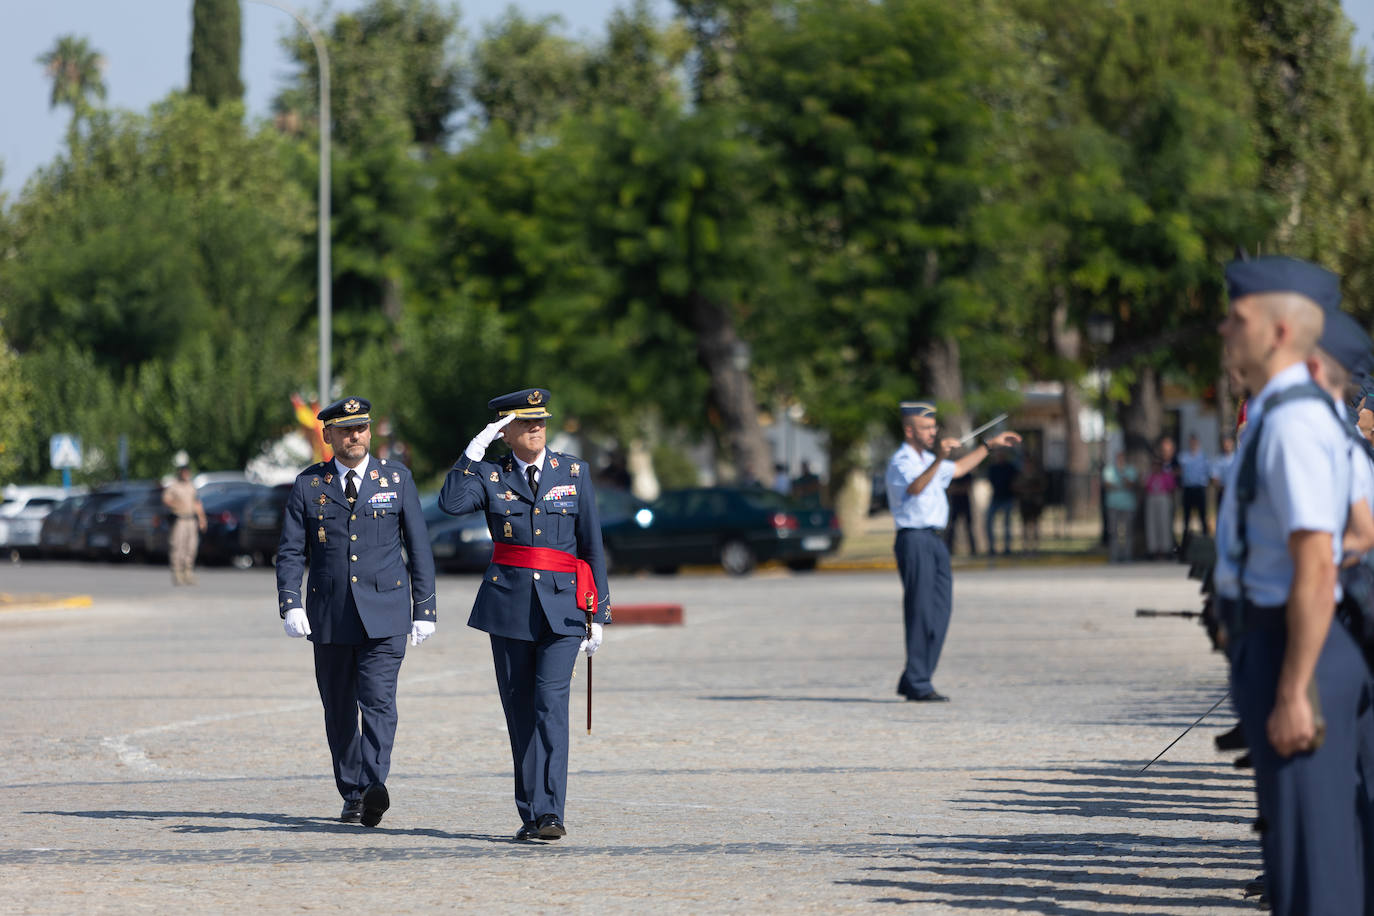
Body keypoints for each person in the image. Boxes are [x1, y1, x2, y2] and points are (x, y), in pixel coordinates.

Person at [1214, 255, 1367, 913]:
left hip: (1294, 645)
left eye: (1237, 318)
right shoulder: (1286, 413)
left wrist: (1295, 687)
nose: (1224, 330)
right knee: (1301, 858)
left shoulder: (1295, 421)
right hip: (1282, 642)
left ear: (1278, 331)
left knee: (1313, 874)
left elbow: (1317, 562)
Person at [440, 388, 611, 841]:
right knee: (519, 712)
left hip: (565, 609)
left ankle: (551, 812)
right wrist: (473, 452)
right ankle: (531, 812)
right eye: (525, 421)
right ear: (504, 431)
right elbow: (451, 503)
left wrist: (600, 613)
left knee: (550, 707)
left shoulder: (573, 471)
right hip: (510, 606)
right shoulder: (490, 474)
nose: (537, 427)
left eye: (542, 420)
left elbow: (591, 545)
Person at [275, 396, 437, 826]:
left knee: (380, 702)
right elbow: (291, 551)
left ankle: (373, 785)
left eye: (361, 428)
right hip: (330, 615)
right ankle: (352, 790)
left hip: (385, 610)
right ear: (328, 435)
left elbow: (418, 548)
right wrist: (290, 603)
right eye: (346, 430)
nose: (355, 436)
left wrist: (425, 608)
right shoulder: (309, 484)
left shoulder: (396, 479)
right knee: (340, 708)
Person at [885, 401, 1020, 702]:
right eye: (926, 428)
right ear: (909, 430)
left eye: (934, 427)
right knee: (920, 611)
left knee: (941, 610)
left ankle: (913, 677)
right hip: (913, 538)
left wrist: (988, 445)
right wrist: (938, 460)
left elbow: (958, 469)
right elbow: (916, 488)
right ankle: (919, 682)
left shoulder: (928, 459)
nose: (932, 432)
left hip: (935, 540)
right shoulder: (901, 461)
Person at [161, 465, 206, 585]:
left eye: (188, 472)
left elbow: (197, 503)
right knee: (178, 546)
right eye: (184, 472)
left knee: (191, 546)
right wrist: (175, 505)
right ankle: (178, 572)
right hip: (180, 519)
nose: (186, 474)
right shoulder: (174, 486)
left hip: (191, 520)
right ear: (180, 473)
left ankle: (188, 572)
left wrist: (202, 519)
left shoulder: (191, 486)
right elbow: (166, 499)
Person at [1102, 452, 1138, 562]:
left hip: (1128, 505)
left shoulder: (1130, 470)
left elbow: (1130, 485)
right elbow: (1108, 486)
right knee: (1113, 532)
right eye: (1118, 458)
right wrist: (1120, 485)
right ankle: (1114, 556)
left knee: (1127, 532)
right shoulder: (1109, 470)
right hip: (1113, 505)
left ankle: (1127, 556)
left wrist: (1122, 475)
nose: (1120, 461)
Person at [984, 447, 1019, 556]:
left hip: (1007, 498)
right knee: (989, 522)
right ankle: (991, 548)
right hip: (996, 498)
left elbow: (1015, 482)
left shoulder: (1010, 467)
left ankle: (1007, 548)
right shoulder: (993, 468)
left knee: (1007, 524)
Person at [1178, 433, 1211, 543]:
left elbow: (1208, 473)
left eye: (1195, 442)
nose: (1193, 444)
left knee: (1202, 517)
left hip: (1200, 489)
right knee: (1186, 518)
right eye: (1191, 442)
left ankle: (1206, 542)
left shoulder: (1203, 457)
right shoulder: (1184, 457)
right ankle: (1184, 544)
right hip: (1188, 489)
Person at [1143, 456, 1177, 561]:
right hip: (1152, 498)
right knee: (1152, 524)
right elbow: (1145, 486)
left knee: (1164, 523)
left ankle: (1166, 549)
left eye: (1158, 465)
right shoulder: (1150, 476)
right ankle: (1153, 549)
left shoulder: (1166, 476)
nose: (1156, 467)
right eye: (1154, 465)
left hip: (1163, 498)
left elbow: (1171, 489)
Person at [1013, 455, 1048, 553]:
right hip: (1024, 502)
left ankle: (1035, 547)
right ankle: (1025, 546)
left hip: (1035, 502)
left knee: (1035, 525)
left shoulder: (1037, 475)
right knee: (1024, 525)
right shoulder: (1021, 475)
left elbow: (1042, 486)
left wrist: (1031, 488)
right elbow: (1015, 486)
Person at [944, 469, 977, 557]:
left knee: (969, 528)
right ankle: (949, 549)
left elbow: (965, 488)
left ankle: (973, 550)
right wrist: (957, 488)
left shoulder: (967, 474)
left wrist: (955, 488)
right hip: (955, 505)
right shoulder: (951, 474)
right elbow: (948, 488)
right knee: (951, 528)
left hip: (965, 505)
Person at [1211, 435, 1236, 518]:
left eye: (1229, 443)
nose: (1227, 445)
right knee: (1222, 516)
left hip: (1234, 492)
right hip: (1222, 492)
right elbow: (1215, 477)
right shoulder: (1218, 459)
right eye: (1225, 443)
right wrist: (1222, 489)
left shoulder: (1237, 458)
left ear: (1232, 443)